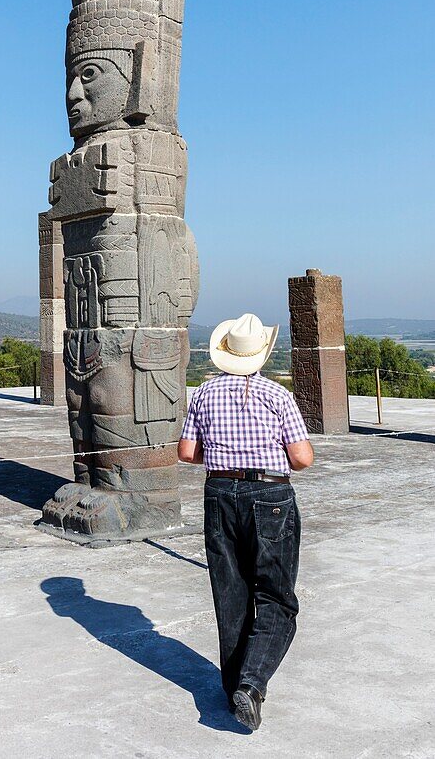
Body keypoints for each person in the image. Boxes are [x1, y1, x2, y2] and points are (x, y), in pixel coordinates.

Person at [177, 313, 314, 731]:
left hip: (219, 494)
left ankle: (233, 685)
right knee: (275, 595)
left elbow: (186, 452)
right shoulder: (278, 395)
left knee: (231, 593)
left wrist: (222, 461)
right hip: (270, 496)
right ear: (262, 354)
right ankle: (251, 686)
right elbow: (302, 458)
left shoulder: (203, 393)